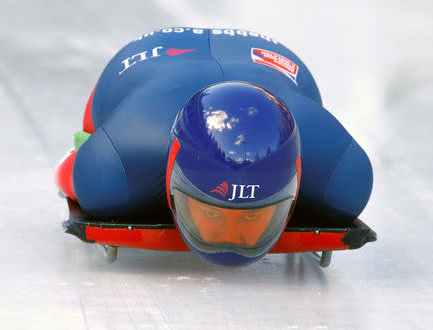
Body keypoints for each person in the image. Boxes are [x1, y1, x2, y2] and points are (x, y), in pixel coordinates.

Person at [55, 27, 373, 267]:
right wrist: (80, 159)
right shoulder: (113, 164)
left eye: (252, 219)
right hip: (142, 70)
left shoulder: (343, 174)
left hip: (269, 65)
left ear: (298, 172)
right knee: (95, 168)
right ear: (170, 174)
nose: (228, 236)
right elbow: (67, 173)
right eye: (209, 213)